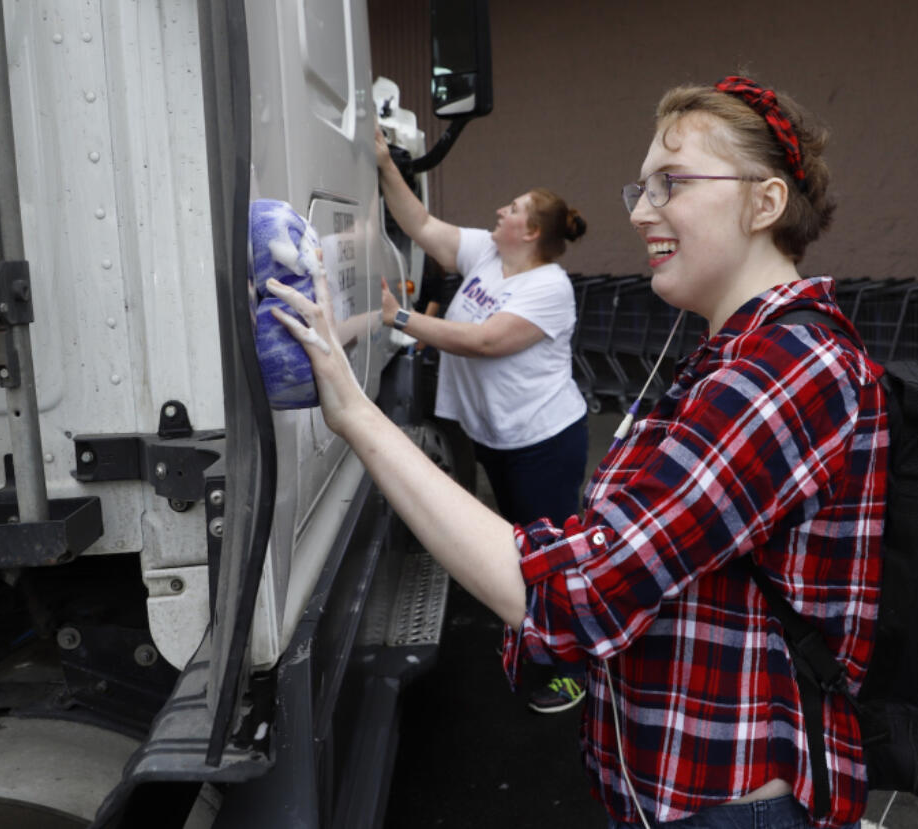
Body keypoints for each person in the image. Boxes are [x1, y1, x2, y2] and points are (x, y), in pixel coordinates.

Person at [265, 74, 885, 829]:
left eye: (672, 184)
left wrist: (355, 415)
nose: (643, 212)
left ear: (765, 202)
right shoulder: (739, 353)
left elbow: (578, 588)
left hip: (734, 808)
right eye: (643, 188)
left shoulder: (784, 371)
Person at [374, 130, 592, 714]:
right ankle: (537, 634)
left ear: (533, 233)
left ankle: (572, 670)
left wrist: (401, 319)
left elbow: (485, 341)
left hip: (543, 440)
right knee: (523, 547)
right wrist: (381, 162)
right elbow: (419, 223)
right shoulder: (485, 254)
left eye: (514, 208)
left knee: (551, 556)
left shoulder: (549, 286)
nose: (501, 211)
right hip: (501, 436)